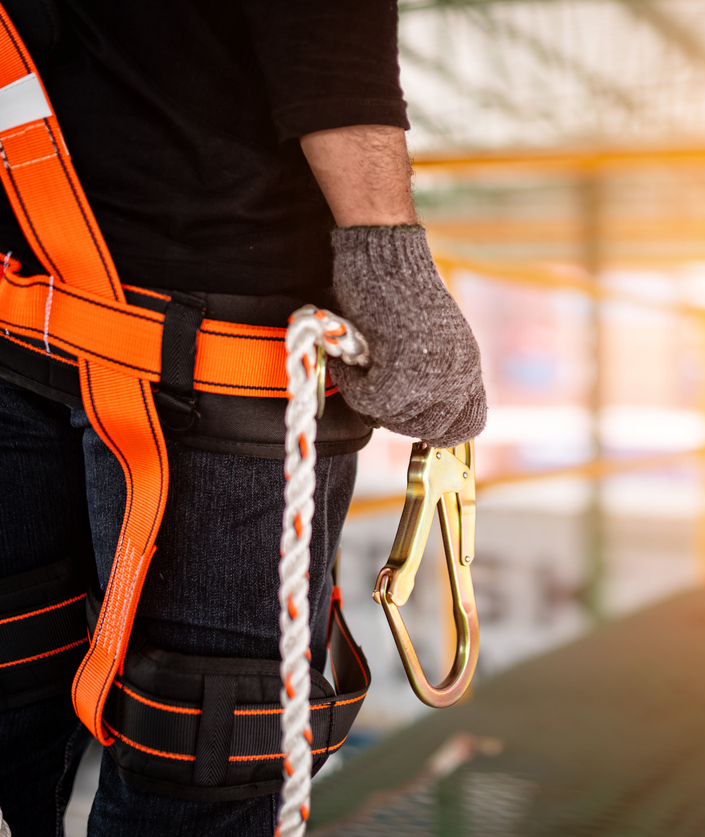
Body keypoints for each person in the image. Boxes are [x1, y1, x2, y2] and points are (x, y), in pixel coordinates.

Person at [0, 1, 486, 834]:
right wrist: (385, 253)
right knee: (205, 752)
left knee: (19, 663)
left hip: (26, 288)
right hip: (223, 332)